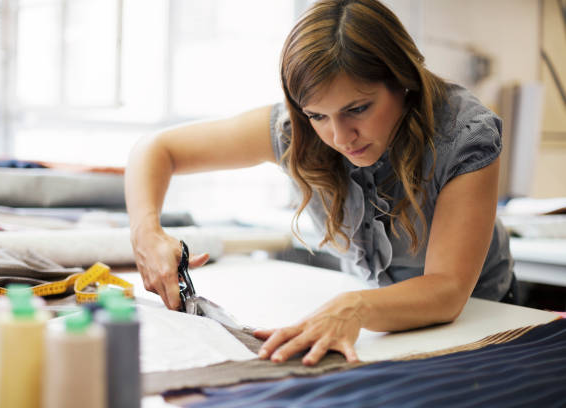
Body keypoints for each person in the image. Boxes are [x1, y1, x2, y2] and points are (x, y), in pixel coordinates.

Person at [124, 0, 517, 367]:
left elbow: (447, 291)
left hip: (485, 321)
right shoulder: (296, 129)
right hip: (387, 330)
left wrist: (355, 307)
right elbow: (158, 149)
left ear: (403, 81)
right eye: (317, 115)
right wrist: (146, 232)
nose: (340, 136)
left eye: (357, 109)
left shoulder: (464, 134)